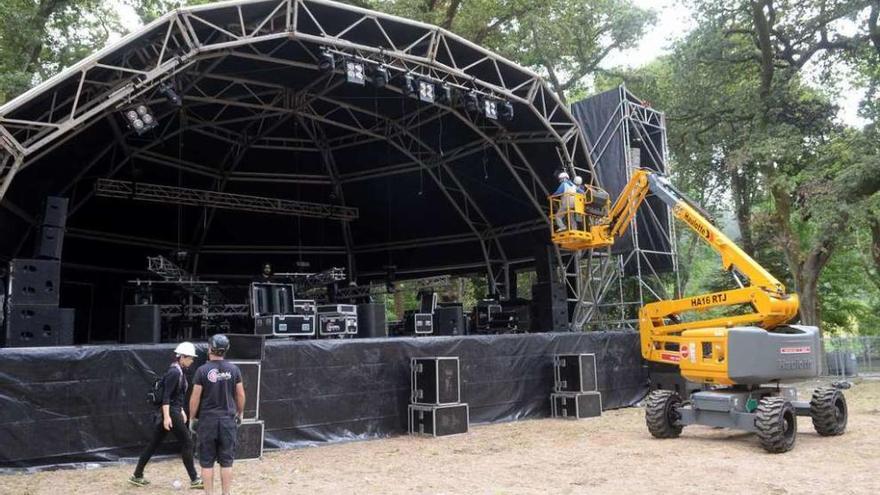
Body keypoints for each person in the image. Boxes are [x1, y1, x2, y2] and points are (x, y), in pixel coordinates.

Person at [130, 342, 203, 489]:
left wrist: (181, 409)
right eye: (190, 358)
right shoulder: (175, 372)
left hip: (173, 410)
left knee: (154, 444)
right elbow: (166, 397)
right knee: (187, 442)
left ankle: (137, 475)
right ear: (182, 357)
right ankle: (194, 479)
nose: (192, 360)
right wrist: (168, 416)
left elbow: (177, 395)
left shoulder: (179, 371)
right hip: (171, 412)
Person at [189, 334, 245, 495]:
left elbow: (195, 397)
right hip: (228, 421)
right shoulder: (234, 369)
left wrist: (192, 418)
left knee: (206, 463)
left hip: (207, 422)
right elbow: (240, 395)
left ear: (209, 349)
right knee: (227, 462)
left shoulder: (202, 370)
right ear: (226, 350)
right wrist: (240, 413)